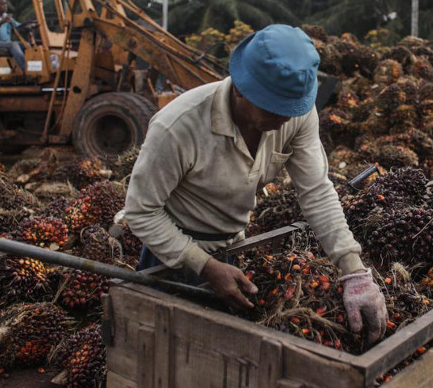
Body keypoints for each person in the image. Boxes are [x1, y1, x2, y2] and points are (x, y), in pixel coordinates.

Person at [123, 24, 388, 342]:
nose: (286, 120)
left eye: (294, 109)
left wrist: (353, 270)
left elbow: (316, 191)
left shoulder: (296, 114)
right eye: (275, 110)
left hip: (235, 247)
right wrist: (203, 265)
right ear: (240, 90)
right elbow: (141, 212)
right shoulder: (177, 127)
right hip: (172, 255)